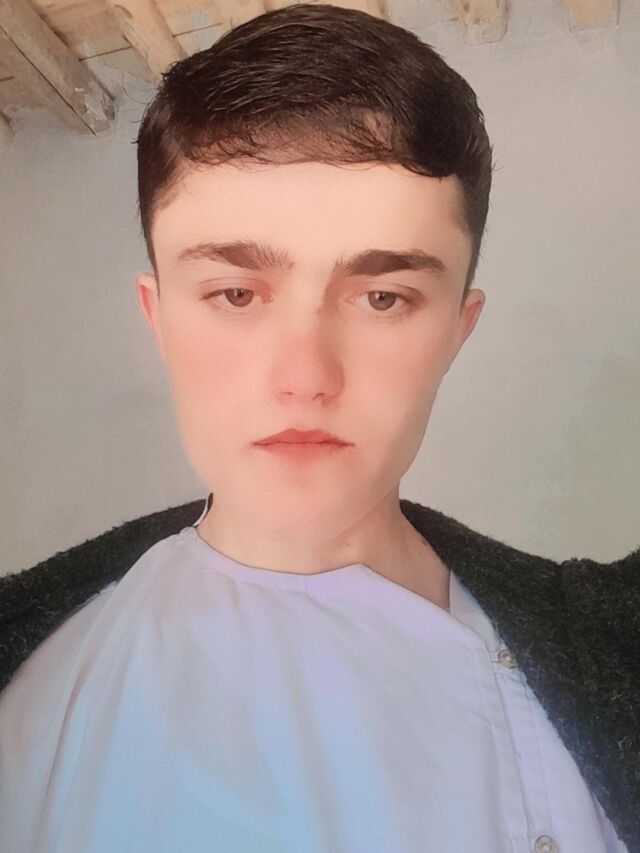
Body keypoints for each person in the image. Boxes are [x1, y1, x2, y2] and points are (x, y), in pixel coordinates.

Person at [0, 4, 638, 851]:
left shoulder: (613, 632)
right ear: (159, 318)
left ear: (457, 329)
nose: (305, 376)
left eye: (383, 298)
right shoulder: (35, 698)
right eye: (235, 293)